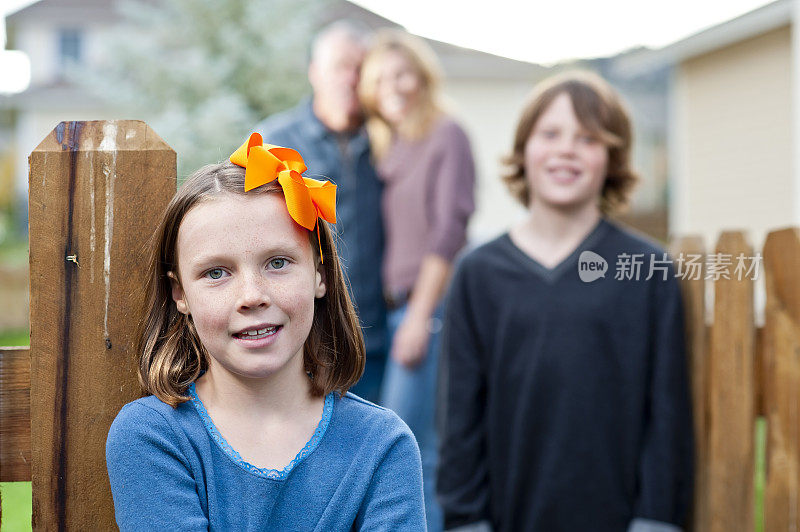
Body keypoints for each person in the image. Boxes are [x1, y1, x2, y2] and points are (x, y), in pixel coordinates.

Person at [105, 134, 426, 530]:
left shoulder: (382, 445)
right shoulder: (153, 437)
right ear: (179, 294)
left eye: (277, 263)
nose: (252, 296)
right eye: (216, 273)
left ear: (319, 275)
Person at [437, 71, 693, 532]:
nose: (566, 149)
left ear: (612, 158)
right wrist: (465, 518)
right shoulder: (478, 274)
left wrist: (656, 519)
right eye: (550, 133)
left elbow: (668, 413)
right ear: (524, 149)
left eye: (588, 138)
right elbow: (459, 417)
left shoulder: (647, 269)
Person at [359, 29, 476, 532]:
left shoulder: (445, 134)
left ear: (423, 77)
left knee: (411, 445)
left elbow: (449, 231)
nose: (394, 85)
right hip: (392, 310)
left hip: (428, 308)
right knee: (401, 441)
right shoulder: (391, 146)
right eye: (382, 77)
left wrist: (420, 317)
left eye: (403, 73)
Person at [254, 21, 388, 404]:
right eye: (339, 67)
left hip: (377, 339)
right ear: (314, 72)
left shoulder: (386, 142)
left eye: (360, 69)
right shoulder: (276, 141)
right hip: (307, 340)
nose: (350, 79)